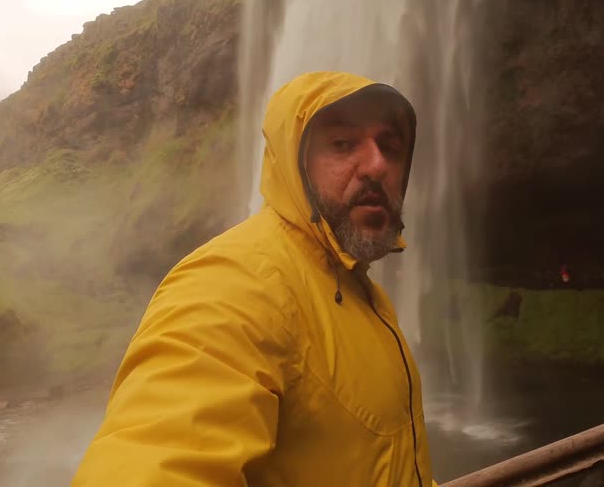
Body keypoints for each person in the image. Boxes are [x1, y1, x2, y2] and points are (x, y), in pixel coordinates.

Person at [71, 71, 436, 486]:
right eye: (342, 144)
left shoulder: (368, 297)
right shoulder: (233, 283)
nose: (376, 165)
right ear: (291, 164)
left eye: (390, 148)